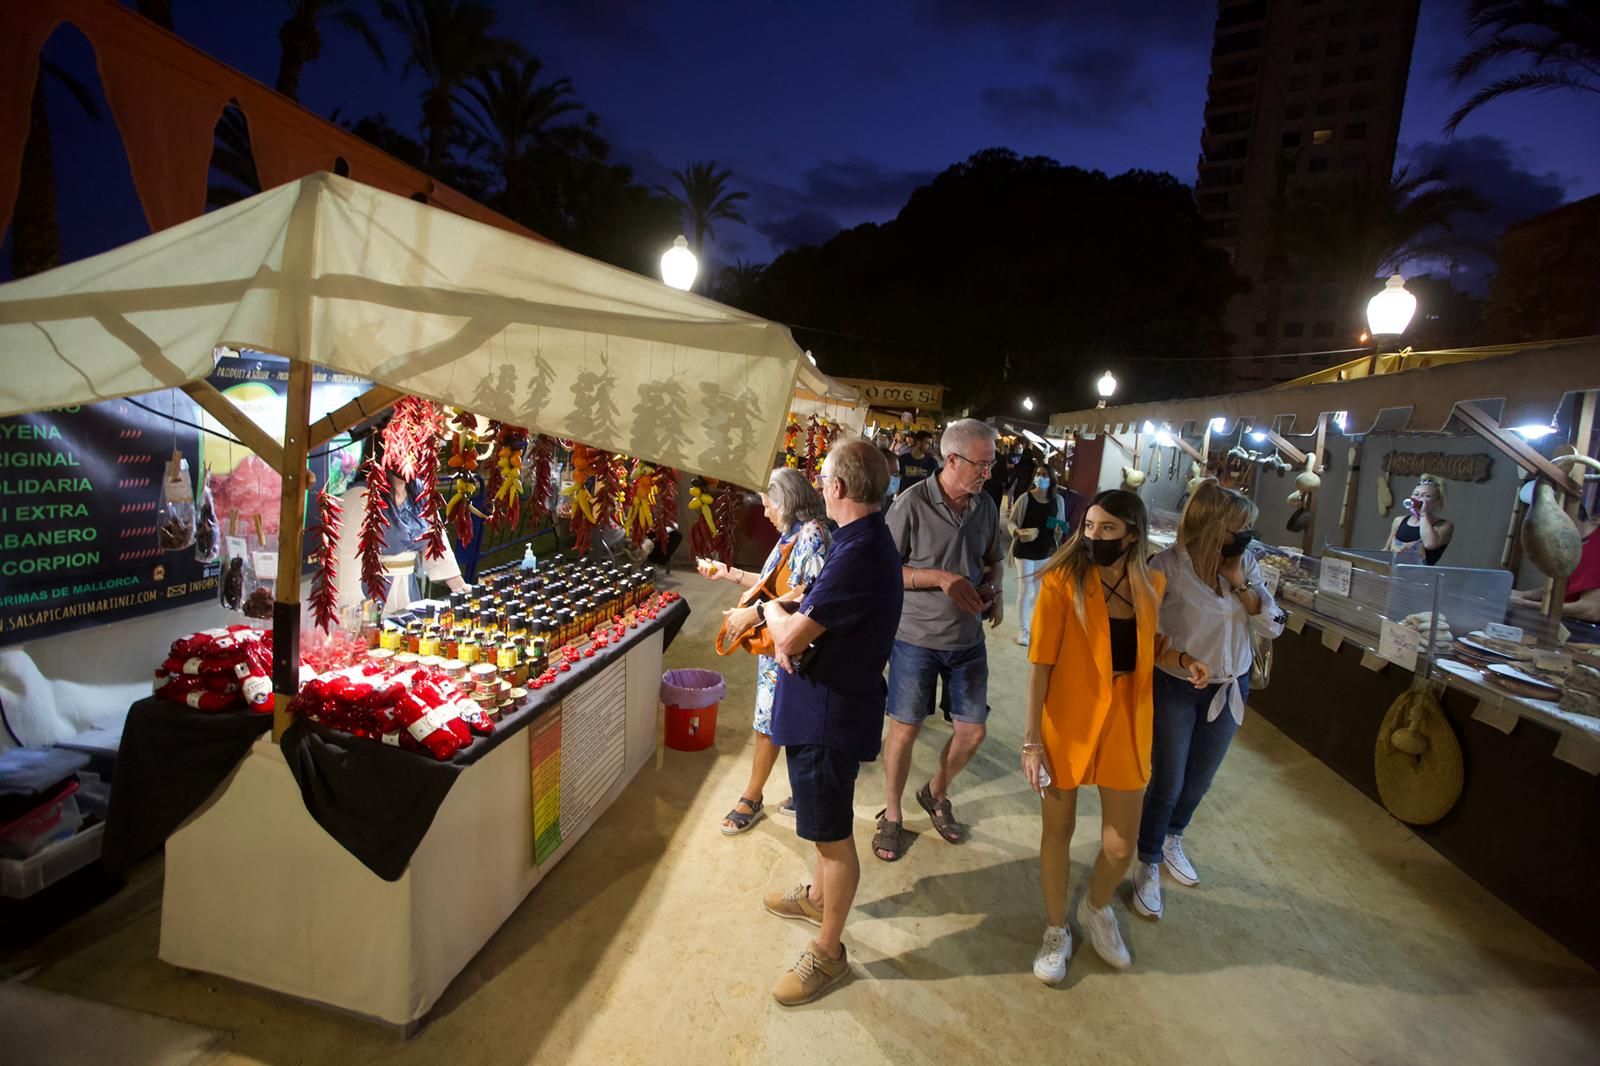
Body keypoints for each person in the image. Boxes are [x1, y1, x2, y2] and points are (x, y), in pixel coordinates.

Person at [1020, 490, 1211, 983]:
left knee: (1121, 846)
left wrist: (1184, 661)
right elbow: (1040, 665)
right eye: (1089, 526)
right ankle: (1056, 929)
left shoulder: (1152, 582)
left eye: (1107, 528)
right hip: (1067, 722)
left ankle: (1096, 906)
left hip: (1127, 720)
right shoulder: (1063, 581)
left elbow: (1150, 645)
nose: (1093, 536)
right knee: (1056, 833)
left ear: (1132, 533)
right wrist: (1032, 741)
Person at [758, 440, 902, 1005]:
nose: (818, 486)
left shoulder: (861, 550)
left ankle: (829, 951)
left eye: (822, 477)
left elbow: (791, 635)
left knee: (833, 834)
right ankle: (818, 895)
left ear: (838, 488)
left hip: (829, 712)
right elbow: (816, 606)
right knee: (821, 824)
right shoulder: (856, 541)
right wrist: (789, 612)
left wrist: (770, 608)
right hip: (824, 703)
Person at [1132, 480, 1280, 922]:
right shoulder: (1165, 567)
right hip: (1175, 685)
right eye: (1241, 526)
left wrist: (1238, 583)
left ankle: (1174, 835)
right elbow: (1143, 633)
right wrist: (1180, 656)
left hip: (1230, 685)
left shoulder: (1246, 563)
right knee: (1169, 780)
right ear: (1214, 525)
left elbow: (1273, 626)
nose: (1248, 534)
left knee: (1200, 780)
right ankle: (1148, 859)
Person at [875, 419, 1006, 861]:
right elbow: (883, 572)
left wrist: (996, 589)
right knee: (905, 729)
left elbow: (993, 560)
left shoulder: (984, 506)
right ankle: (892, 814)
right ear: (952, 460)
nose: (987, 473)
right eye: (982, 465)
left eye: (991, 464)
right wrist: (940, 578)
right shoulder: (909, 504)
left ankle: (935, 792)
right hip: (915, 637)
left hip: (967, 639)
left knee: (972, 732)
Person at [699, 468, 830, 835]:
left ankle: (752, 798)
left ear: (786, 501)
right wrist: (727, 573)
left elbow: (812, 593)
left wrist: (753, 614)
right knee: (776, 720)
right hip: (779, 643)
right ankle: (799, 795)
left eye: (769, 505)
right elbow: (768, 585)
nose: (766, 513)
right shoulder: (791, 534)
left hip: (792, 647)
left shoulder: (812, 536)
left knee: (771, 722)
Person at [1007, 463, 1080, 648]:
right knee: (1025, 589)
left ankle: (1036, 625)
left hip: (1045, 551)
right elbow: (1012, 522)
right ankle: (1023, 631)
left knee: (1040, 592)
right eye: (1038, 474)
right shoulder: (1025, 499)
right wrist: (1017, 532)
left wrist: (1060, 529)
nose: (1041, 478)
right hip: (1024, 551)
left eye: (1045, 475)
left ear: (1052, 479)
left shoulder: (1058, 501)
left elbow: (1061, 525)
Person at [1511, 502, 1600, 643]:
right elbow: (1569, 587)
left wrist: (1524, 604)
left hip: (1588, 635)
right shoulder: (1580, 544)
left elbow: (1590, 610)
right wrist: (1524, 595)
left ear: (1570, 520)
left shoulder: (1596, 549)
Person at [1384, 475, 1454, 565]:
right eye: (1416, 494)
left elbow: (1429, 544)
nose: (1418, 498)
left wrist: (1423, 515)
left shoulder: (1444, 526)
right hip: (1392, 574)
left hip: (1419, 576)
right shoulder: (1399, 520)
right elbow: (1387, 549)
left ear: (1437, 502)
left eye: (1426, 496)